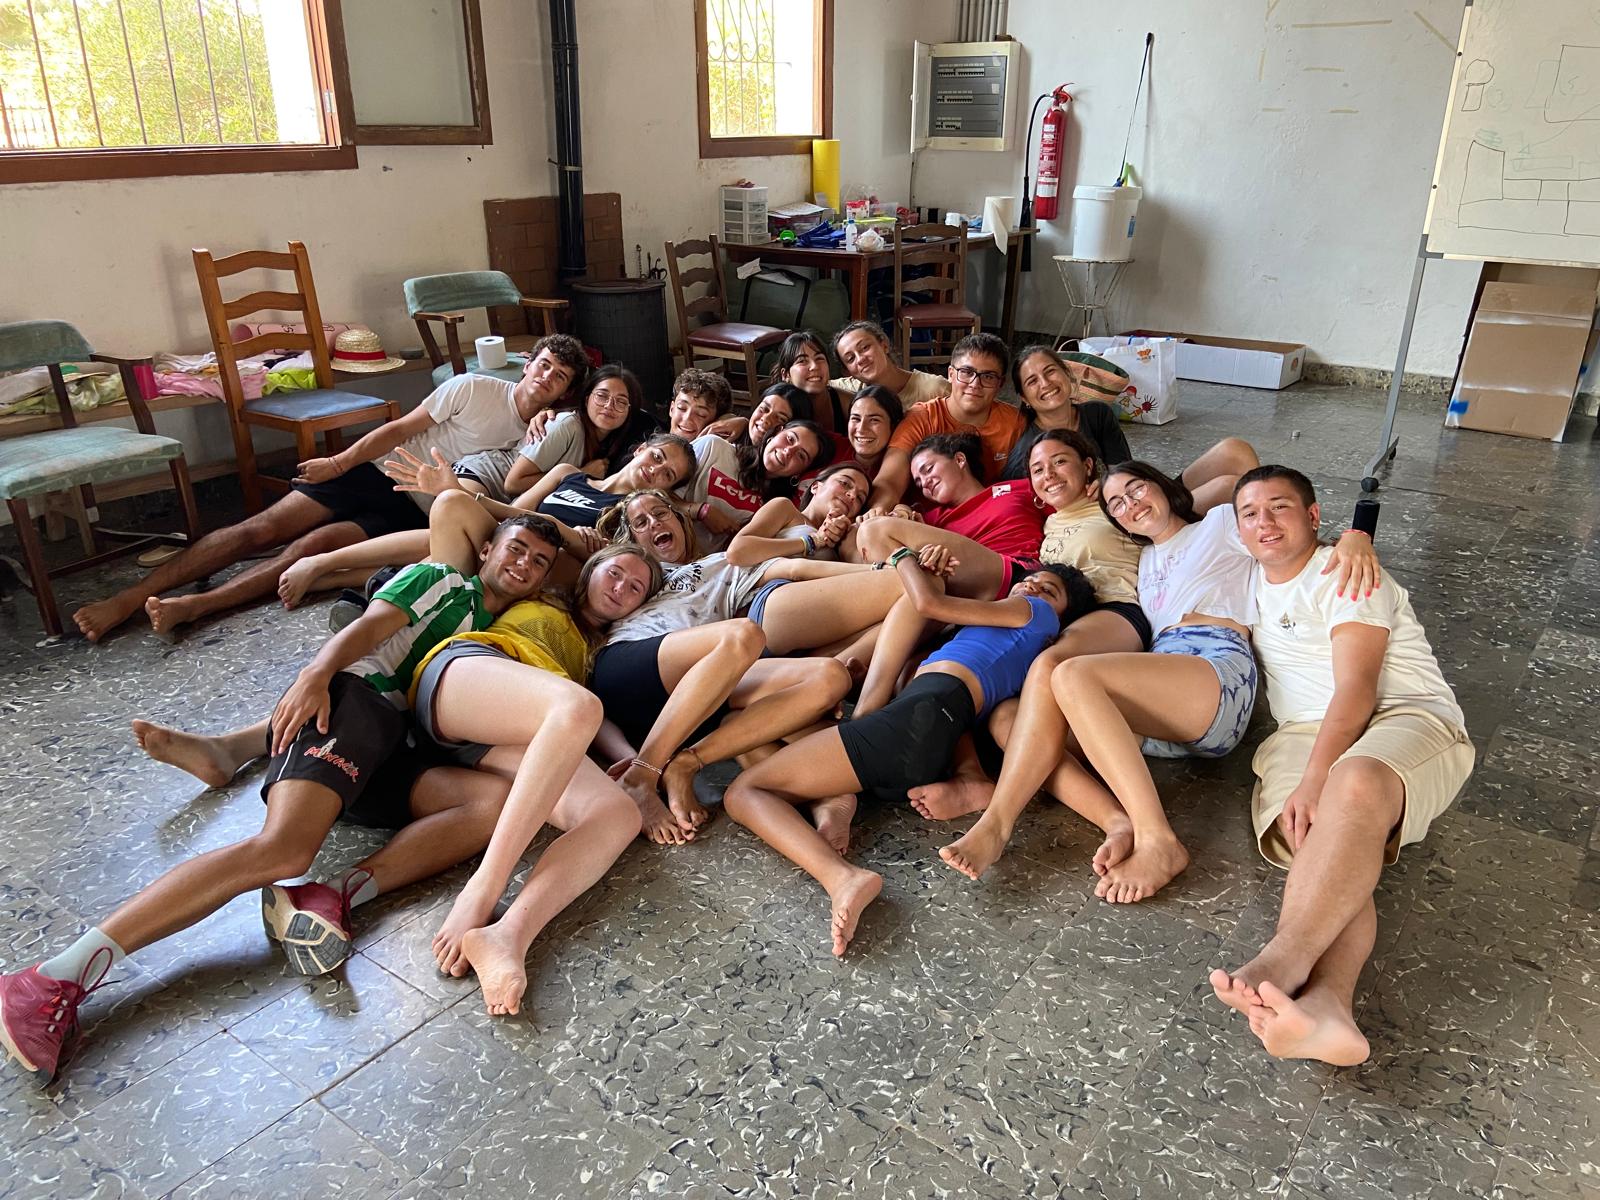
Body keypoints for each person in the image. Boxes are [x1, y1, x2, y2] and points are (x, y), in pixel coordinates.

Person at [0, 511, 565, 1078]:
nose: (524, 564)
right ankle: (51, 979)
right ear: (487, 548)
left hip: (393, 743)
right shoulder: (443, 578)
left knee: (490, 803)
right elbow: (369, 627)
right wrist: (315, 676)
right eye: (516, 549)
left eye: (539, 562)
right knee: (281, 850)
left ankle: (330, 895)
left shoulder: (503, 625)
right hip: (352, 703)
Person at [941, 460, 1379, 898]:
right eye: (1117, 503)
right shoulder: (1143, 560)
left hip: (1216, 665)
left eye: (1137, 489)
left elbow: (1274, 519)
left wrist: (1354, 537)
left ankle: (1151, 839)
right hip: (1162, 698)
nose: (1130, 504)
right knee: (1008, 719)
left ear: (1162, 486)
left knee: (1072, 674)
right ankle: (1117, 822)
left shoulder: (1219, 524)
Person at [71, 335, 589, 642]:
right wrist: (337, 462)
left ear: (566, 391)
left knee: (311, 547)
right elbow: (397, 429)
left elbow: (529, 482)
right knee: (261, 529)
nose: (547, 377)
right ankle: (129, 597)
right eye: (543, 365)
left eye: (560, 376)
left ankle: (197, 606)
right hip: (378, 471)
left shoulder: (545, 433)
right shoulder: (473, 387)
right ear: (527, 363)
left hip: (413, 512)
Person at [1209, 467, 1471, 1066]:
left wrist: (1314, 779)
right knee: (1318, 843)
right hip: (1302, 732)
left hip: (1405, 713)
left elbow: (1356, 689)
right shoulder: (1243, 580)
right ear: (1238, 530)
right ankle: (1328, 1007)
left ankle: (1282, 959)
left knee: (1346, 788)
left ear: (1313, 515)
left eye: (1280, 507)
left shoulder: (1346, 571)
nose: (1264, 522)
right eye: (1249, 513)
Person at [724, 551, 1094, 956]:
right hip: (927, 732)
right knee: (743, 728)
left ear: (1059, 620)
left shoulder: (1035, 614)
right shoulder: (1003, 645)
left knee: (744, 792)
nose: (1033, 587)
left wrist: (903, 557)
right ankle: (836, 799)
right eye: (1031, 580)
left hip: (915, 721)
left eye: (1049, 590)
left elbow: (927, 602)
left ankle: (841, 878)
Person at [586, 466, 871, 844]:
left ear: (680, 521)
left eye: (661, 513)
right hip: (630, 667)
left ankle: (686, 763)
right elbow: (582, 562)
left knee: (830, 676)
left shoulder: (721, 562)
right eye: (641, 522)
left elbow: (792, 569)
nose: (654, 523)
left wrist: (874, 568)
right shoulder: (633, 569)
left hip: (693, 699)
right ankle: (640, 776)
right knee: (744, 635)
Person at [1000, 345, 1259, 512]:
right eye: (1032, 381)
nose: (1045, 383)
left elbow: (1125, 471)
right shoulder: (1032, 451)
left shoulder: (1097, 413)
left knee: (1235, 450)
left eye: (1050, 372)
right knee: (1229, 487)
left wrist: (1109, 485)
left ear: (1068, 374)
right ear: (1024, 398)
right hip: (1121, 519)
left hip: (1135, 493)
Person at [851, 432, 1048, 603]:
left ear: (960, 460)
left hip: (1016, 572)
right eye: (919, 483)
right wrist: (902, 510)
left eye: (928, 469)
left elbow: (1064, 506)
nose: (925, 483)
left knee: (874, 530)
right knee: (858, 536)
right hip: (954, 588)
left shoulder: (1017, 488)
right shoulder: (932, 518)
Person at [865, 332, 1028, 514]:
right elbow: (889, 480)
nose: (975, 384)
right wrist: (876, 511)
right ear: (950, 374)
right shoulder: (922, 418)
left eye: (988, 376)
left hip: (992, 515)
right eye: (966, 372)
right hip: (925, 519)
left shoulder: (1015, 422)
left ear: (1000, 384)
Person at [453, 365, 644, 502]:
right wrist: (582, 474)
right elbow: (513, 483)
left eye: (621, 401)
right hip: (483, 475)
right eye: (601, 396)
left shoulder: (614, 445)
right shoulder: (567, 425)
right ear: (587, 399)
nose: (609, 406)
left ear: (629, 411)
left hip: (508, 502)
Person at [686, 419, 831, 548]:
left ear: (800, 472)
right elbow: (669, 493)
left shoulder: (779, 508)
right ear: (776, 432)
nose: (788, 451)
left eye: (801, 455)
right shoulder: (713, 447)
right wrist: (700, 511)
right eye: (790, 439)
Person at [831, 319, 951, 406]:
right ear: (847, 371)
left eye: (865, 347)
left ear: (884, 345)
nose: (860, 359)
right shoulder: (850, 389)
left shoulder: (935, 389)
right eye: (850, 359)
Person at [773, 330, 850, 433]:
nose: (814, 366)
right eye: (802, 361)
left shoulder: (847, 403)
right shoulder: (778, 408)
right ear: (786, 375)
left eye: (819, 358)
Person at [843, 384, 904, 481]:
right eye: (856, 419)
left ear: (893, 425)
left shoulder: (903, 473)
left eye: (874, 420)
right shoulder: (831, 448)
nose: (861, 429)